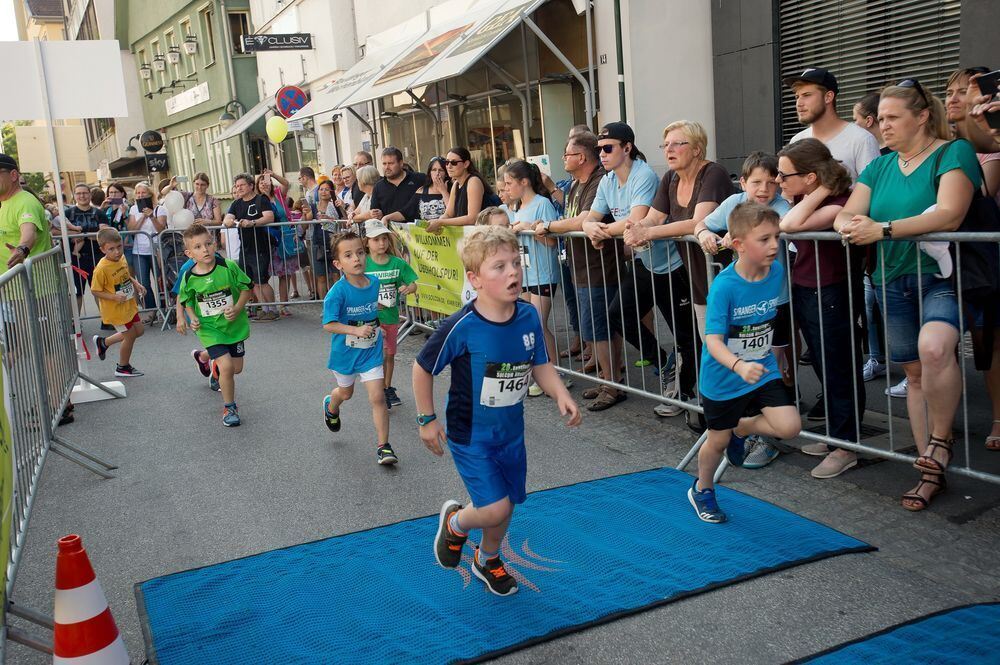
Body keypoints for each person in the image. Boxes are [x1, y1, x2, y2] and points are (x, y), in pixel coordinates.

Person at [836, 79, 980, 511]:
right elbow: (848, 212)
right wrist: (850, 224)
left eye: (893, 117)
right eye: (880, 118)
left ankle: (940, 442)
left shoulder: (953, 152)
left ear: (921, 116)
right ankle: (929, 470)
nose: (884, 126)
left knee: (934, 348)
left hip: (940, 276)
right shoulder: (880, 166)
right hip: (888, 278)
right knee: (914, 374)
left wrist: (880, 229)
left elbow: (951, 214)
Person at [414, 225, 581, 596]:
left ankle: (487, 560)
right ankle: (457, 523)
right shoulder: (462, 325)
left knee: (506, 507)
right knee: (493, 508)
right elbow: (422, 367)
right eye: (499, 267)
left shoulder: (527, 316)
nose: (513, 272)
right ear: (474, 279)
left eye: (515, 263)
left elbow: (539, 361)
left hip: (510, 431)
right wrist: (426, 420)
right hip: (470, 433)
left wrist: (559, 394)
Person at [690, 203, 801, 523]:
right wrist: (738, 365)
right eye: (764, 239)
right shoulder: (724, 286)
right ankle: (702, 488)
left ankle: (743, 426)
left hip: (761, 369)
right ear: (738, 245)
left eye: (776, 237)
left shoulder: (777, 272)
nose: (773, 246)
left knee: (790, 426)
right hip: (723, 376)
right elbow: (712, 340)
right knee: (718, 440)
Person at [577, 122, 695, 417]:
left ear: (627, 148)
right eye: (598, 149)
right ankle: (665, 363)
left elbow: (637, 220)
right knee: (618, 314)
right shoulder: (606, 181)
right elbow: (589, 218)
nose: (601, 154)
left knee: (685, 335)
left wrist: (599, 229)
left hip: (672, 264)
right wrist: (593, 226)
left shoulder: (643, 174)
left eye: (608, 148)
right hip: (644, 264)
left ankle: (688, 396)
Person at [693, 151, 793, 467]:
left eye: (770, 181)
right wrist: (706, 234)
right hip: (741, 311)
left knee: (778, 359)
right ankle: (744, 434)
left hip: (777, 300)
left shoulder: (781, 209)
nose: (764, 189)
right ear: (743, 183)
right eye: (756, 182)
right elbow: (700, 225)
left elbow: (792, 224)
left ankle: (760, 426)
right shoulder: (732, 206)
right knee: (744, 368)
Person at [778, 138, 867, 478]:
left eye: (786, 175)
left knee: (838, 366)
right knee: (821, 362)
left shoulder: (840, 201)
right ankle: (835, 436)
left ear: (812, 177)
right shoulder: (805, 196)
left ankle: (847, 445)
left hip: (830, 290)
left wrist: (820, 190)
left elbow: (790, 225)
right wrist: (807, 190)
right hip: (806, 288)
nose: (779, 182)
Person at [625, 120, 736, 341]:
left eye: (677, 144)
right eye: (665, 145)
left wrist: (647, 234)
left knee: (732, 347)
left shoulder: (714, 173)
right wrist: (637, 228)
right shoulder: (670, 178)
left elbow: (698, 221)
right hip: (697, 276)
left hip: (727, 274)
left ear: (697, 149)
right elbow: (654, 217)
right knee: (710, 346)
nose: (669, 150)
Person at [945, 67, 1000, 451]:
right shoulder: (943, 145)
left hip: (985, 257)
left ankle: (998, 419)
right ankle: (942, 426)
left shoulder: (987, 146)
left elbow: (982, 190)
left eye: (963, 91)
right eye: (949, 91)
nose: (953, 98)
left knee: (990, 343)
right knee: (943, 344)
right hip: (950, 259)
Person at [321, 231, 396, 465]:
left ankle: (384, 447)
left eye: (360, 253)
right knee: (346, 393)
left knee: (377, 397)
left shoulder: (374, 282)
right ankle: (331, 406)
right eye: (348, 255)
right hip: (345, 353)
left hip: (370, 350)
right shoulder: (337, 293)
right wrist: (355, 330)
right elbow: (329, 325)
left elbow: (371, 310)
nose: (357, 259)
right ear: (338, 264)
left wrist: (377, 326)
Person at [178, 223, 253, 427]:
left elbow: (246, 288)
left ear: (214, 244)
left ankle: (207, 361)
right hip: (209, 329)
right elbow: (186, 300)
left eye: (208, 244)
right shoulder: (189, 276)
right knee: (227, 367)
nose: (205, 249)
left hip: (234, 326)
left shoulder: (228, 266)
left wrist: (237, 308)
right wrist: (190, 317)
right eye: (198, 247)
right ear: (189, 253)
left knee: (236, 368)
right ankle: (229, 407)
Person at [505, 160, 564, 397]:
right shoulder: (517, 207)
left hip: (543, 272)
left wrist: (530, 228)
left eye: (510, 183)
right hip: (526, 274)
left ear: (524, 182)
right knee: (527, 325)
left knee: (538, 324)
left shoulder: (542, 204)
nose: (506, 188)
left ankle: (555, 374)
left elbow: (552, 242)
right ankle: (539, 371)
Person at [784, 67, 881, 180]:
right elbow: (788, 195)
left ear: (828, 97)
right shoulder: (796, 141)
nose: (799, 103)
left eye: (806, 95)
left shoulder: (861, 139)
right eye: (797, 97)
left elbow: (873, 190)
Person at [363, 220, 418, 408]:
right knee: (378, 354)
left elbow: (413, 284)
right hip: (369, 320)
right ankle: (378, 388)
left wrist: (408, 287)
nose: (381, 243)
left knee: (389, 355)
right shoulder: (363, 264)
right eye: (376, 239)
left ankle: (386, 388)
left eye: (384, 238)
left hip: (391, 318)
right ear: (367, 242)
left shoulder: (397, 263)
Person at [90, 227, 146, 377]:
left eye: (119, 247)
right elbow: (95, 290)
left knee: (139, 331)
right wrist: (113, 297)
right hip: (116, 310)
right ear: (103, 249)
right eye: (111, 249)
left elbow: (126, 275)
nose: (116, 252)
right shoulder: (101, 269)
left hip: (128, 304)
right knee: (129, 336)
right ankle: (123, 367)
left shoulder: (121, 258)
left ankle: (104, 343)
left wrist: (136, 284)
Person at [223, 173, 278, 322]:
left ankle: (273, 308)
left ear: (251, 186)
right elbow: (227, 219)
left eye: (241, 185)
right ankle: (264, 309)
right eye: (236, 186)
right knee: (251, 281)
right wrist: (232, 222)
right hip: (245, 248)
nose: (238, 188)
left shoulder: (261, 200)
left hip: (260, 245)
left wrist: (252, 222)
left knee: (262, 279)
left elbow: (269, 217)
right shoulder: (236, 203)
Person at [0, 154, 54, 271]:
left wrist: (21, 250)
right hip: (13, 284)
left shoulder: (25, 202)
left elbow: (29, 232)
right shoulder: (6, 202)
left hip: (32, 285)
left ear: (13, 175)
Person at [256, 169, 298, 316]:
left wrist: (273, 175)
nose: (264, 184)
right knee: (264, 274)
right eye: (261, 182)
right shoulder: (258, 200)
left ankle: (283, 305)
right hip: (269, 240)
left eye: (266, 181)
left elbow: (287, 183)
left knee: (285, 274)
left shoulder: (279, 194)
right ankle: (266, 305)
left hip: (285, 237)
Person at [62, 183, 107, 314]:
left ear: (90, 194)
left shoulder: (99, 213)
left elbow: (103, 232)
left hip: (97, 257)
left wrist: (81, 233)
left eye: (85, 193)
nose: (82, 196)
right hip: (75, 259)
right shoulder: (67, 213)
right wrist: (91, 233)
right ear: (74, 195)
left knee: (100, 291)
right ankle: (75, 325)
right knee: (77, 292)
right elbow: (57, 232)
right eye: (79, 193)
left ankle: (107, 320)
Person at [127, 181, 167, 322]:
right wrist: (143, 216)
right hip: (139, 251)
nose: (140, 195)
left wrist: (151, 216)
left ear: (150, 194)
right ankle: (151, 310)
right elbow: (132, 230)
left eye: (143, 192)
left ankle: (165, 309)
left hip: (156, 250)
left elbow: (161, 229)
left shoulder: (159, 209)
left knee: (160, 280)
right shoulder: (133, 209)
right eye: (138, 193)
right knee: (143, 282)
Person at [429, 147, 497, 231]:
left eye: (454, 163)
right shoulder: (456, 184)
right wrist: (437, 221)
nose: (449, 166)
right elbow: (449, 214)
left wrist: (441, 223)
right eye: (447, 162)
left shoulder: (473, 182)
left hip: (485, 234)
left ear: (466, 164)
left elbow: (472, 218)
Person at [382, 156, 451, 223]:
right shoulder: (422, 190)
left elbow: (453, 212)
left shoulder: (452, 189)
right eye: (434, 170)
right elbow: (406, 212)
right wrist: (387, 217)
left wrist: (444, 191)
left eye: (441, 170)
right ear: (430, 173)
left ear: (446, 173)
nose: (437, 173)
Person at [369, 147, 427, 220]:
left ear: (401, 163)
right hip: (391, 229)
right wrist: (376, 214)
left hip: (417, 228)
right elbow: (374, 211)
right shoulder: (378, 187)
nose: (387, 167)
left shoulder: (419, 179)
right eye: (384, 164)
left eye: (391, 163)